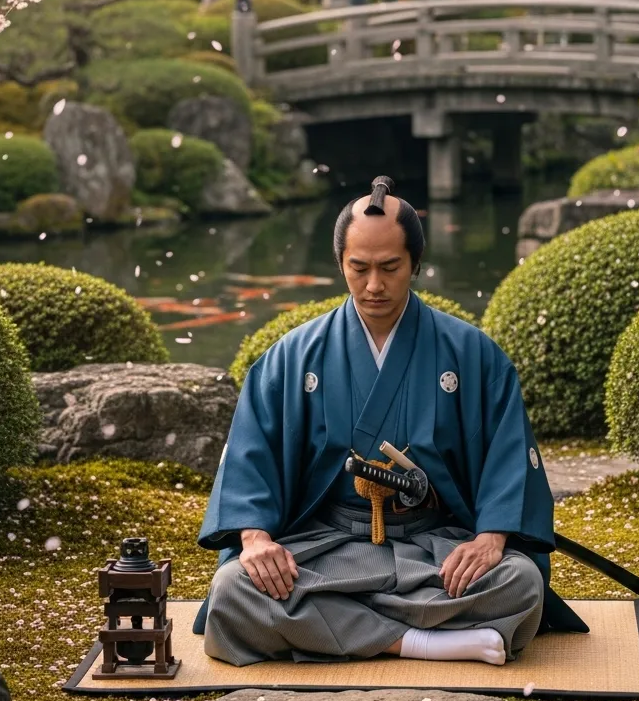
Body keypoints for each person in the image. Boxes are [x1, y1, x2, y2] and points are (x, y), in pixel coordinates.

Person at [195, 175, 566, 667]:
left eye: (390, 267)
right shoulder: (292, 357)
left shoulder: (471, 353)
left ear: (416, 262)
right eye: (359, 268)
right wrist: (255, 539)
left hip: (434, 549)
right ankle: (420, 641)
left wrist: (491, 537)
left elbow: (508, 454)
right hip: (329, 548)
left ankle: (334, 626)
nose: (374, 285)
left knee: (519, 583)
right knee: (234, 588)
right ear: (340, 263)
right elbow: (251, 454)